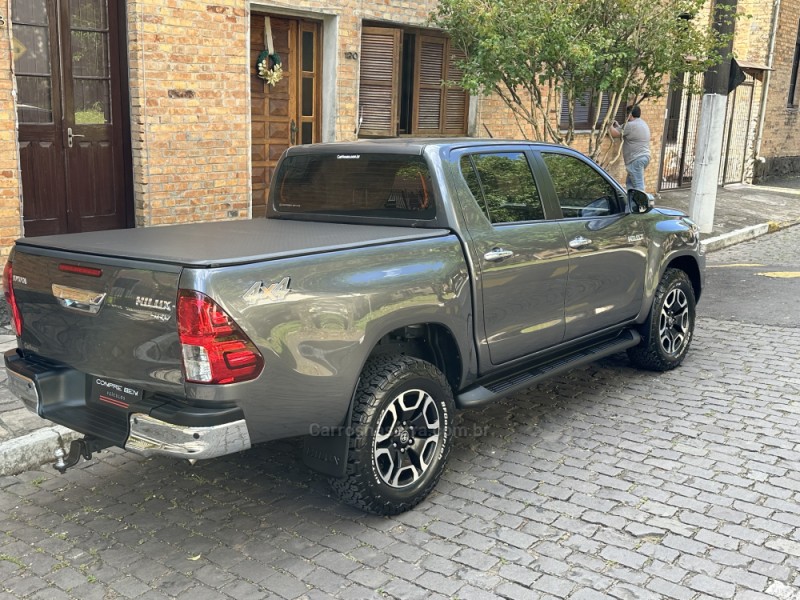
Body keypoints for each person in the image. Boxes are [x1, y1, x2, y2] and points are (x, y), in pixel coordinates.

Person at [610, 105, 651, 191]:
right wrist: (618, 125)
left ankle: (641, 203)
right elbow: (623, 130)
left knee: (638, 187)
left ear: (630, 114)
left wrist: (609, 123)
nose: (626, 116)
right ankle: (631, 203)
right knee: (630, 183)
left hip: (635, 160)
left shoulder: (630, 126)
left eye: (627, 114)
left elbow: (613, 133)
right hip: (644, 157)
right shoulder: (643, 123)